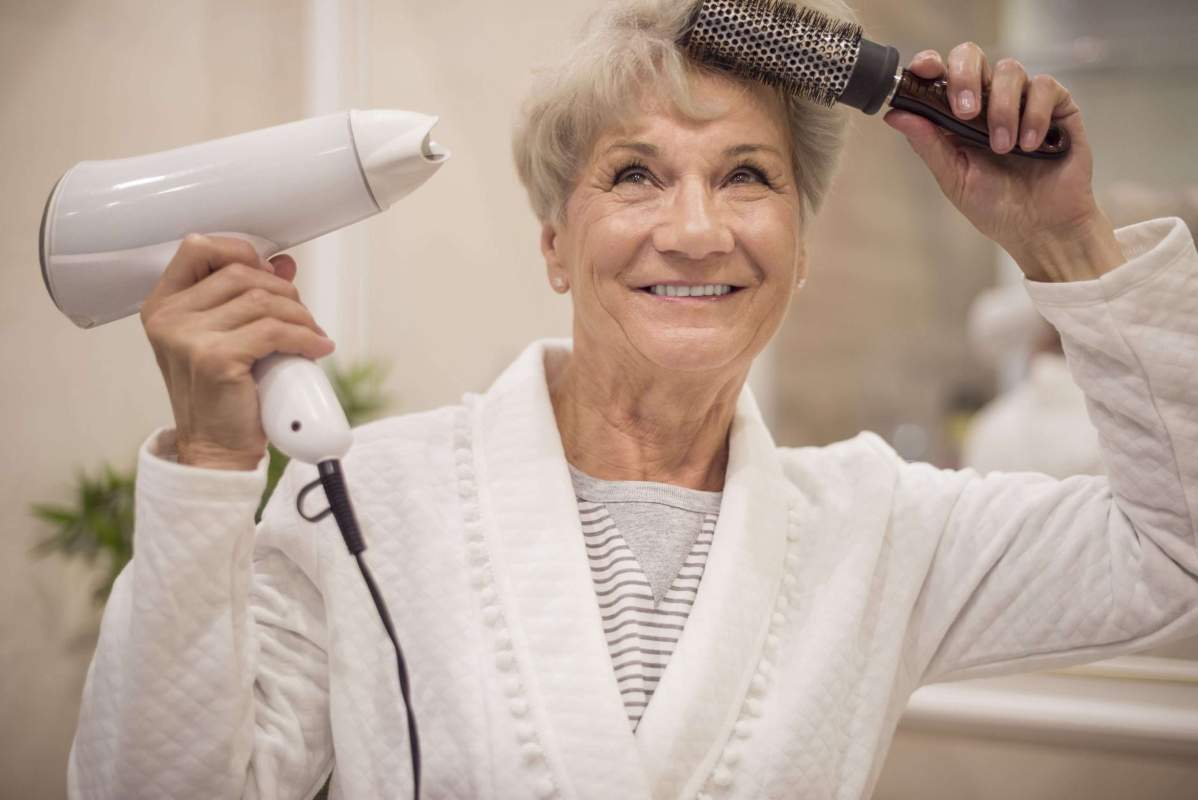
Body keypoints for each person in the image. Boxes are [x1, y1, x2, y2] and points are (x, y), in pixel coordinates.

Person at [68, 0, 1198, 798]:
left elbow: (1174, 550)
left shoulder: (881, 527)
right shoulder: (364, 501)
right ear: (557, 245)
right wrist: (208, 467)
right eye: (635, 173)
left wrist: (1065, 243)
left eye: (747, 175)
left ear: (800, 250)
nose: (695, 228)